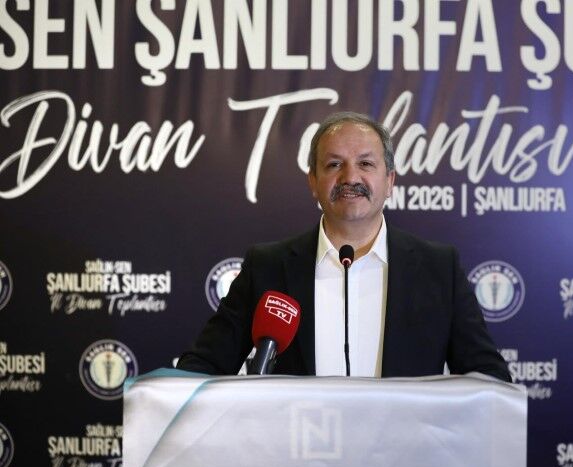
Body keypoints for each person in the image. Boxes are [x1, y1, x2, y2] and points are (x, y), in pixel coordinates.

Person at [177, 112, 511, 382]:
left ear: (390, 181)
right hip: (295, 446)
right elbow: (202, 368)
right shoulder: (267, 267)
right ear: (313, 181)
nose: (350, 177)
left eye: (365, 164)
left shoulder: (439, 268)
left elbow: (489, 379)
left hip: (405, 447)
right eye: (334, 164)